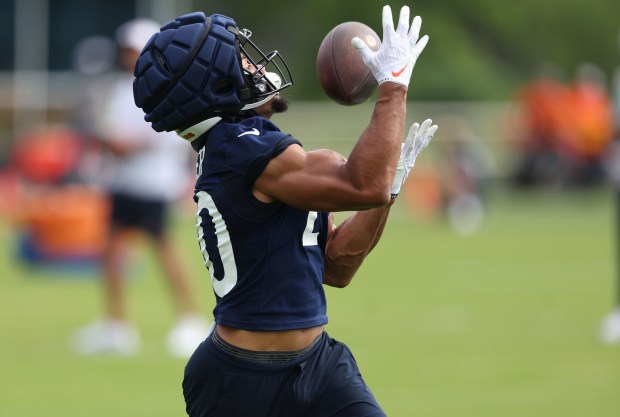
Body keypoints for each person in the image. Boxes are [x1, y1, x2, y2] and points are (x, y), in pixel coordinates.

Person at [133, 5, 436, 416]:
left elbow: (336, 267)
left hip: (319, 365)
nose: (254, 64)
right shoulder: (240, 149)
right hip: (241, 383)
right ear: (214, 83)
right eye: (240, 59)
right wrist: (393, 88)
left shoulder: (247, 145)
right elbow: (362, 183)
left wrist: (391, 187)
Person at [71, 18, 210, 357]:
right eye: (126, 50)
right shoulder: (119, 89)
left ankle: (190, 321)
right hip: (122, 183)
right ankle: (116, 326)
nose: (128, 56)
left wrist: (122, 146)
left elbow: (160, 139)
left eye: (134, 50)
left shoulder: (160, 87)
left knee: (165, 251)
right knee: (111, 252)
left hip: (152, 185)